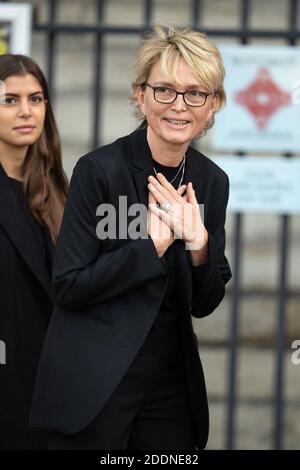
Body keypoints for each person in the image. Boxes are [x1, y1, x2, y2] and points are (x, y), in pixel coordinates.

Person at [30, 25, 232, 450]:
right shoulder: (100, 170)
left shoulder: (212, 182)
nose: (179, 106)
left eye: (196, 93)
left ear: (213, 105)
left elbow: (205, 301)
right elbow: (68, 285)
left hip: (171, 386)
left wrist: (199, 244)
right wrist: (150, 247)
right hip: (98, 381)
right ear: (141, 97)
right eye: (164, 90)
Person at [0, 54, 68, 449]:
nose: (26, 111)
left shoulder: (62, 191)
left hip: (50, 391)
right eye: (10, 100)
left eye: (36, 99)